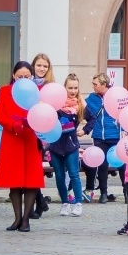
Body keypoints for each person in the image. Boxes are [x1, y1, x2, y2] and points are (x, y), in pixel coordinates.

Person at [0, 61, 45, 232]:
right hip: (12, 139)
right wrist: (13, 124)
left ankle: (26, 220)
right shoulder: (4, 91)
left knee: (31, 180)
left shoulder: (38, 92)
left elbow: (44, 113)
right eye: (19, 76)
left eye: (26, 76)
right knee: (14, 179)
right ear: (13, 76)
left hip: (31, 139)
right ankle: (17, 218)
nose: (23, 79)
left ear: (31, 76)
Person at [81, 73, 125, 204]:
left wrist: (124, 131)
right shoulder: (92, 98)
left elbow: (124, 114)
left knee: (122, 164)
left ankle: (126, 191)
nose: (93, 87)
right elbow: (83, 108)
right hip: (99, 136)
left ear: (104, 85)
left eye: (95, 84)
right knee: (102, 165)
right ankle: (104, 193)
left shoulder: (116, 96)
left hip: (115, 135)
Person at [49, 73, 85, 218]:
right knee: (59, 176)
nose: (73, 91)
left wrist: (84, 130)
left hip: (71, 146)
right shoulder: (56, 104)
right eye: (70, 87)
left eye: (75, 88)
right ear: (64, 88)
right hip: (56, 146)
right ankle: (65, 203)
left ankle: (78, 203)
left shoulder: (80, 104)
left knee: (74, 175)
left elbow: (93, 118)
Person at [30, 53, 54, 217]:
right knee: (29, 171)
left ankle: (37, 203)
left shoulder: (50, 87)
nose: (41, 69)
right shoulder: (26, 85)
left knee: (34, 171)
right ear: (33, 66)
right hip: (26, 130)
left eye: (45, 66)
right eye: (39, 65)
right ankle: (40, 203)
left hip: (42, 135)